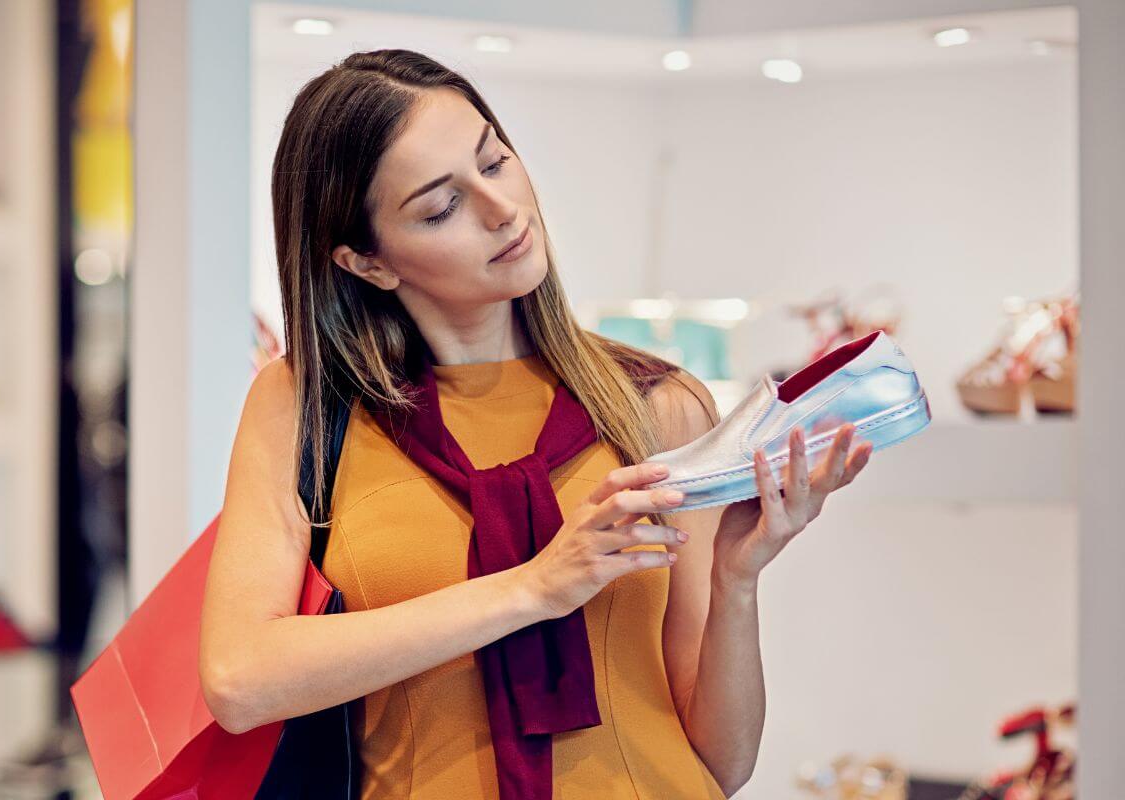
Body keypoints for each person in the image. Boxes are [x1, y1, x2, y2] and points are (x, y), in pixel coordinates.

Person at [199, 49, 872, 800]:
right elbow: (239, 679)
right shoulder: (307, 402)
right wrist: (533, 588)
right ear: (367, 263)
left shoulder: (655, 401)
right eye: (440, 207)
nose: (502, 209)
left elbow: (722, 761)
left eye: (495, 160)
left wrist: (736, 580)